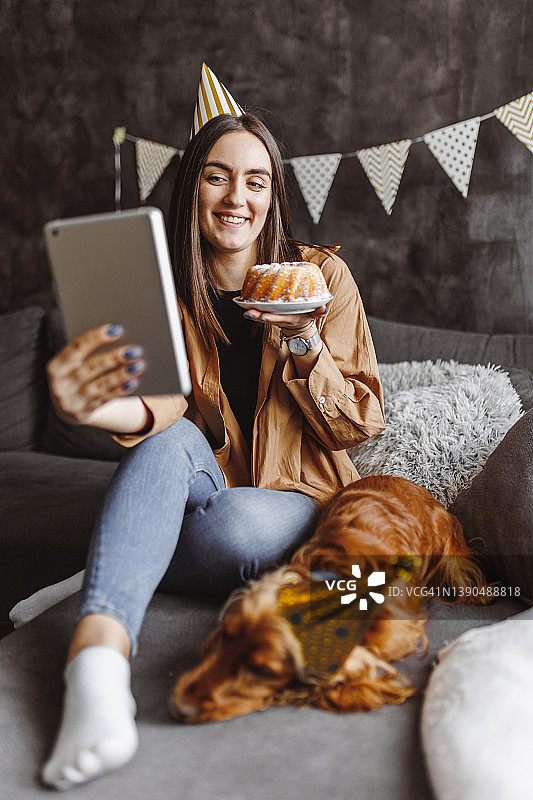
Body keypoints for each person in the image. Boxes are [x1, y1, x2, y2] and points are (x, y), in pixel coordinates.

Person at [41, 111, 386, 789]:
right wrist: (86, 405)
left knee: (235, 526)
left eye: (255, 181)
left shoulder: (320, 280)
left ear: (272, 194)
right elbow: (159, 407)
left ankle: (119, 555)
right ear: (191, 187)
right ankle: (97, 668)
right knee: (173, 442)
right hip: (198, 479)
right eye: (217, 176)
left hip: (292, 499)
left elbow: (357, 426)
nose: (237, 198)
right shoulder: (165, 291)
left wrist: (301, 343)